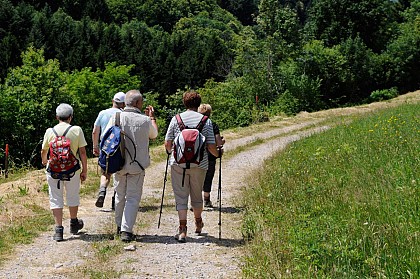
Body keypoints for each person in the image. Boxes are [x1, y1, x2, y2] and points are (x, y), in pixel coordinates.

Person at [164, 91, 222, 243]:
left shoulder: (176, 119)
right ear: (198, 103)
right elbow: (210, 146)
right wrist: (218, 153)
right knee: (196, 194)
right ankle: (198, 221)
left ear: (184, 103)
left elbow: (168, 144)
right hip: (200, 164)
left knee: (181, 195)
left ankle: (182, 230)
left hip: (178, 164)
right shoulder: (206, 121)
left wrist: (171, 153)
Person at [104, 89, 158, 242]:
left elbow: (106, 135)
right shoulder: (144, 120)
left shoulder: (116, 116)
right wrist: (152, 118)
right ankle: (126, 231)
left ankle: (119, 226)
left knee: (119, 195)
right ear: (138, 103)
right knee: (132, 197)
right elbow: (154, 135)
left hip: (118, 162)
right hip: (137, 164)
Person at [41, 103, 88, 242]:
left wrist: (45, 161)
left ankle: (58, 230)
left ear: (57, 117)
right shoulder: (76, 130)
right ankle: (74, 223)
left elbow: (44, 151)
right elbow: (83, 152)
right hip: (72, 169)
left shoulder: (50, 131)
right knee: (72, 195)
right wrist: (84, 170)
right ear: (70, 117)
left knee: (55, 197)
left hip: (53, 169)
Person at [92, 92, 126, 209]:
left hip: (105, 147)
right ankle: (115, 200)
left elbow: (95, 131)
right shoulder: (124, 114)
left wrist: (95, 146)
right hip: (121, 147)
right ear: (124, 103)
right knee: (120, 174)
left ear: (113, 101)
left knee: (106, 172)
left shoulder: (103, 113)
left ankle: (102, 191)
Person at [198, 104, 225, 208]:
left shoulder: (195, 123)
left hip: (195, 155)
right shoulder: (212, 125)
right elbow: (218, 143)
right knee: (208, 177)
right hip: (210, 156)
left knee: (196, 178)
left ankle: (195, 200)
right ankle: (206, 199)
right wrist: (222, 142)